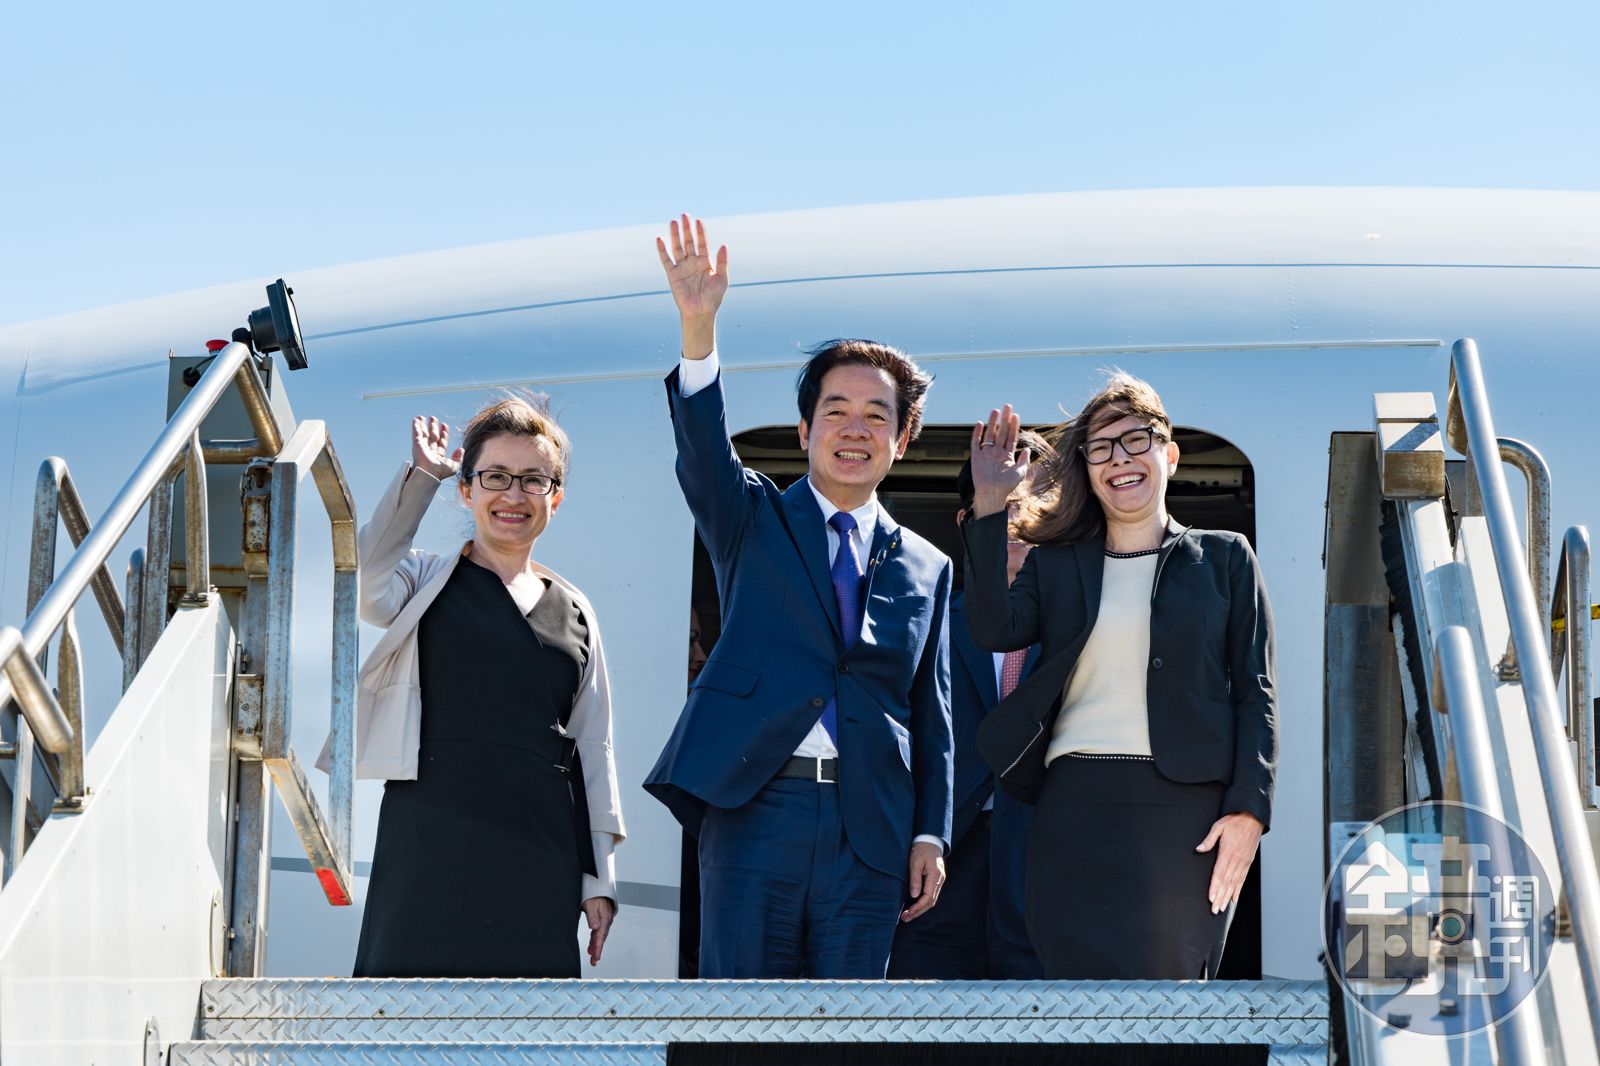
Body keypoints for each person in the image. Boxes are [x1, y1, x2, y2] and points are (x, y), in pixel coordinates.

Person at [646, 214, 954, 979]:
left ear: (902, 440)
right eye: (836, 412)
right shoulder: (750, 519)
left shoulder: (929, 566)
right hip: (758, 808)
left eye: (876, 417)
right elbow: (703, 451)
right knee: (741, 1023)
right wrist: (697, 330)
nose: (854, 429)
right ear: (804, 429)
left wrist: (930, 834)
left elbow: (934, 716)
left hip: (870, 828)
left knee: (847, 1030)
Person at [964, 374, 1276, 980]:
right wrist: (990, 503)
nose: (1120, 460)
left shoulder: (1225, 557)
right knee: (1076, 1002)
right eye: (1101, 448)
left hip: (1185, 812)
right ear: (1086, 469)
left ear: (1170, 454)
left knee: (1168, 996)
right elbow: (993, 628)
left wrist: (1250, 812)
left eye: (1136, 441)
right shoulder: (1056, 563)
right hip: (1074, 805)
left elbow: (1255, 691)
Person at [322, 397, 626, 978]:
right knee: (404, 1008)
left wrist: (599, 880)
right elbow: (364, 587)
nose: (514, 494)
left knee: (528, 1018)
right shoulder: (424, 578)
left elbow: (594, 748)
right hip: (427, 833)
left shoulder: (576, 611)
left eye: (533, 479)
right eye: (495, 476)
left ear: (555, 498)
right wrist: (421, 478)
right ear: (466, 490)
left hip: (541, 846)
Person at [889, 438, 1051, 980]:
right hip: (939, 864)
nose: (1020, 524)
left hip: (1044, 868)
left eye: (1037, 509)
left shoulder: (1084, 626)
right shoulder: (925, 619)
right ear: (968, 521)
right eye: (1006, 507)